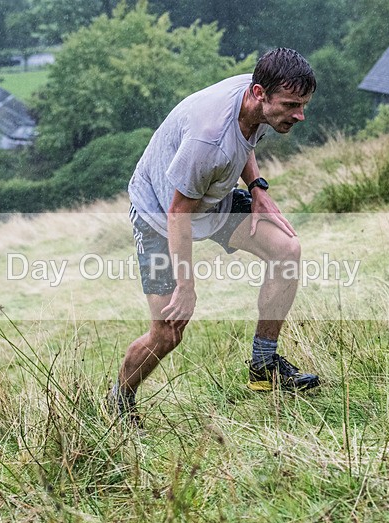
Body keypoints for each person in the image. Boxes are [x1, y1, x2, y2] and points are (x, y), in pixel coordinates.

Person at [110, 48, 320, 425]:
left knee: (286, 251)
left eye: (302, 104)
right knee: (167, 333)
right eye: (291, 105)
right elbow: (178, 215)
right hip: (159, 215)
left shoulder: (251, 98)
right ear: (260, 92)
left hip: (212, 197)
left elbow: (243, 140)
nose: (299, 115)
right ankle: (119, 399)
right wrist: (186, 287)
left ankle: (264, 365)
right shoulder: (208, 140)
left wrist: (257, 187)